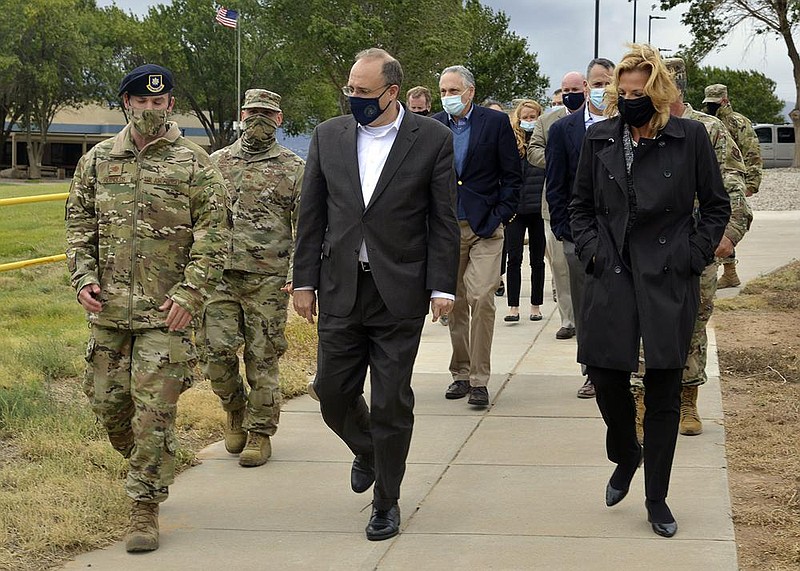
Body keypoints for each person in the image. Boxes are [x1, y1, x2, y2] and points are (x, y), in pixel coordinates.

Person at [292, 48, 459, 542]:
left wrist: (442, 286)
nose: (353, 99)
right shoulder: (328, 136)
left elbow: (442, 220)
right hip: (341, 285)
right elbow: (313, 213)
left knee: (390, 402)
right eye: (350, 89)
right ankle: (366, 449)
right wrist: (304, 281)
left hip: (398, 291)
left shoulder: (431, 139)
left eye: (363, 92)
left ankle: (386, 500)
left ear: (391, 92)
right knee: (331, 392)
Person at [65, 64, 229, 552]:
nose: (151, 110)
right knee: (110, 406)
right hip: (109, 312)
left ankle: (144, 506)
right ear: (126, 104)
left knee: (154, 412)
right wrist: (83, 279)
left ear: (170, 105)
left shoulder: (196, 163)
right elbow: (78, 228)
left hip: (167, 315)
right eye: (142, 102)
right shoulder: (96, 161)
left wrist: (190, 294)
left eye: (160, 103)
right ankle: (150, 460)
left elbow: (215, 236)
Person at [569, 44, 730, 538]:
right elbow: (579, 206)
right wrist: (593, 250)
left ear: (659, 92)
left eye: (641, 90)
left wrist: (692, 254)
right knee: (603, 369)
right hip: (612, 268)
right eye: (625, 89)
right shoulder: (599, 138)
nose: (631, 97)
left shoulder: (691, 137)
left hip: (667, 272)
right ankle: (625, 452)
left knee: (664, 385)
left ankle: (657, 497)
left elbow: (716, 206)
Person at [198, 89, 305, 468]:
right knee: (216, 353)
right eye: (253, 112)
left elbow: (304, 227)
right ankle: (234, 410)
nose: (258, 119)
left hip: (267, 279)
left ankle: (260, 431)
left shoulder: (294, 168)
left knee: (262, 356)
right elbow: (200, 218)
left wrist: (297, 277)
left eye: (267, 113)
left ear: (279, 119)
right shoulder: (216, 163)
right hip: (220, 276)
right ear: (241, 114)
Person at [432, 65, 522, 407]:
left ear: (469, 91)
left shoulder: (494, 122)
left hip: (485, 226)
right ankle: (461, 372)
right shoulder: (434, 126)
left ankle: (479, 380)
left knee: (482, 297)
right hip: (446, 229)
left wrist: (502, 213)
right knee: (452, 303)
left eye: (453, 90)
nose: (447, 97)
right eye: (443, 91)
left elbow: (512, 176)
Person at [546, 58, 615, 399]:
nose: (601, 89)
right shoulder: (563, 130)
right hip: (578, 234)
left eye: (607, 83)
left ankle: (622, 368)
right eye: (596, 83)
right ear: (586, 86)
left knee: (619, 304)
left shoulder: (628, 125)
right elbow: (555, 184)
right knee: (586, 307)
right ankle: (591, 371)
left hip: (621, 233)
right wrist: (564, 231)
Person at [703, 83, 762, 288]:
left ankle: (727, 273)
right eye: (708, 103)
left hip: (732, 183)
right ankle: (728, 272)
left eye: (715, 103)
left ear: (725, 100)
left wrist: (751, 185)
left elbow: (752, 154)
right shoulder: (706, 121)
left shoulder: (738, 122)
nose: (711, 107)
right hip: (710, 184)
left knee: (727, 227)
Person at [527, 80, 574, 341]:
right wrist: (559, 161)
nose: (570, 95)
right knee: (560, 264)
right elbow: (533, 151)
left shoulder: (600, 118)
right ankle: (568, 319)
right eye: (566, 91)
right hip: (555, 204)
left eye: (575, 90)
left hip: (594, 203)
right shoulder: (548, 121)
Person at [503, 99, 546, 323]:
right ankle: (513, 306)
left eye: (533, 116)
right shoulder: (511, 143)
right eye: (525, 117)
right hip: (516, 210)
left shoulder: (545, 142)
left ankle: (535, 305)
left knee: (537, 260)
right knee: (514, 258)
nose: (529, 120)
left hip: (538, 209)